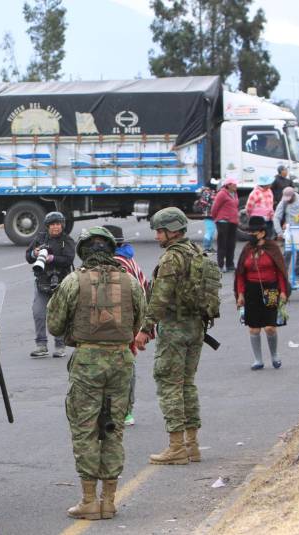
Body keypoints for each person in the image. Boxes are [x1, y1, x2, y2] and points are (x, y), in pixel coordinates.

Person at [47, 227, 145, 521]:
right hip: (121, 360)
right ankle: (109, 501)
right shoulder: (129, 281)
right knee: (113, 429)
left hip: (87, 361)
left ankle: (89, 500)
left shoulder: (73, 281)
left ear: (83, 251)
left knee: (85, 429)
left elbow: (54, 324)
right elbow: (139, 319)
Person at [134, 207, 220, 466]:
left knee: (169, 383)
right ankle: (192, 445)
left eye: (160, 231)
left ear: (172, 231)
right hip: (196, 327)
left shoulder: (172, 258)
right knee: (187, 384)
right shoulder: (196, 252)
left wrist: (145, 329)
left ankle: (176, 447)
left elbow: (160, 297)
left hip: (174, 328)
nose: (157, 236)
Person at [103, 224, 150, 427]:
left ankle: (123, 410)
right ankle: (124, 409)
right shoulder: (129, 259)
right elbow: (145, 287)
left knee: (119, 368)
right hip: (130, 323)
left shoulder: (117, 263)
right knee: (127, 365)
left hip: (119, 324)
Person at [235, 216, 289, 371]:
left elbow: (280, 271)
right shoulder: (247, 249)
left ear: (262, 232)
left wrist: (283, 291)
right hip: (251, 291)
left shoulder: (272, 247)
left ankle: (274, 355)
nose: (251, 234)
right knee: (254, 328)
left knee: (270, 327)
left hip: (271, 290)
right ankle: (258, 360)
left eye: (254, 232)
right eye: (250, 232)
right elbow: (240, 274)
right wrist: (240, 294)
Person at [25, 211, 76, 358]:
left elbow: (69, 259)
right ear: (47, 226)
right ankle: (41, 345)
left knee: (59, 315)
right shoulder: (40, 238)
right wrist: (35, 254)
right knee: (38, 313)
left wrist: (52, 258)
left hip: (61, 283)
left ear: (62, 225)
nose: (55, 227)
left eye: (58, 224)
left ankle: (60, 346)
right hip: (42, 282)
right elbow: (28, 257)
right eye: (52, 224)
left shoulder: (67, 240)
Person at [274, 187, 299, 277]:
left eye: (289, 198)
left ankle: (297, 273)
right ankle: (283, 275)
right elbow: (276, 217)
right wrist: (279, 232)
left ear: (293, 195)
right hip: (289, 231)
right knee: (287, 253)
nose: (288, 200)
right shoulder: (283, 202)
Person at [211, 177, 239, 272]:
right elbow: (215, 207)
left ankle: (230, 265)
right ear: (228, 185)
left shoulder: (235, 193)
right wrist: (216, 218)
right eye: (234, 184)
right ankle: (220, 265)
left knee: (231, 244)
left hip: (233, 222)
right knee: (222, 244)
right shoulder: (222, 194)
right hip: (223, 222)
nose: (236, 186)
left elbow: (235, 206)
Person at [197, 186, 215, 253]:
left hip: (210, 214)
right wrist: (211, 205)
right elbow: (205, 202)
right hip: (208, 214)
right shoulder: (207, 193)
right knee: (210, 231)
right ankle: (206, 248)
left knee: (211, 231)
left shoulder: (207, 192)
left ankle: (209, 247)